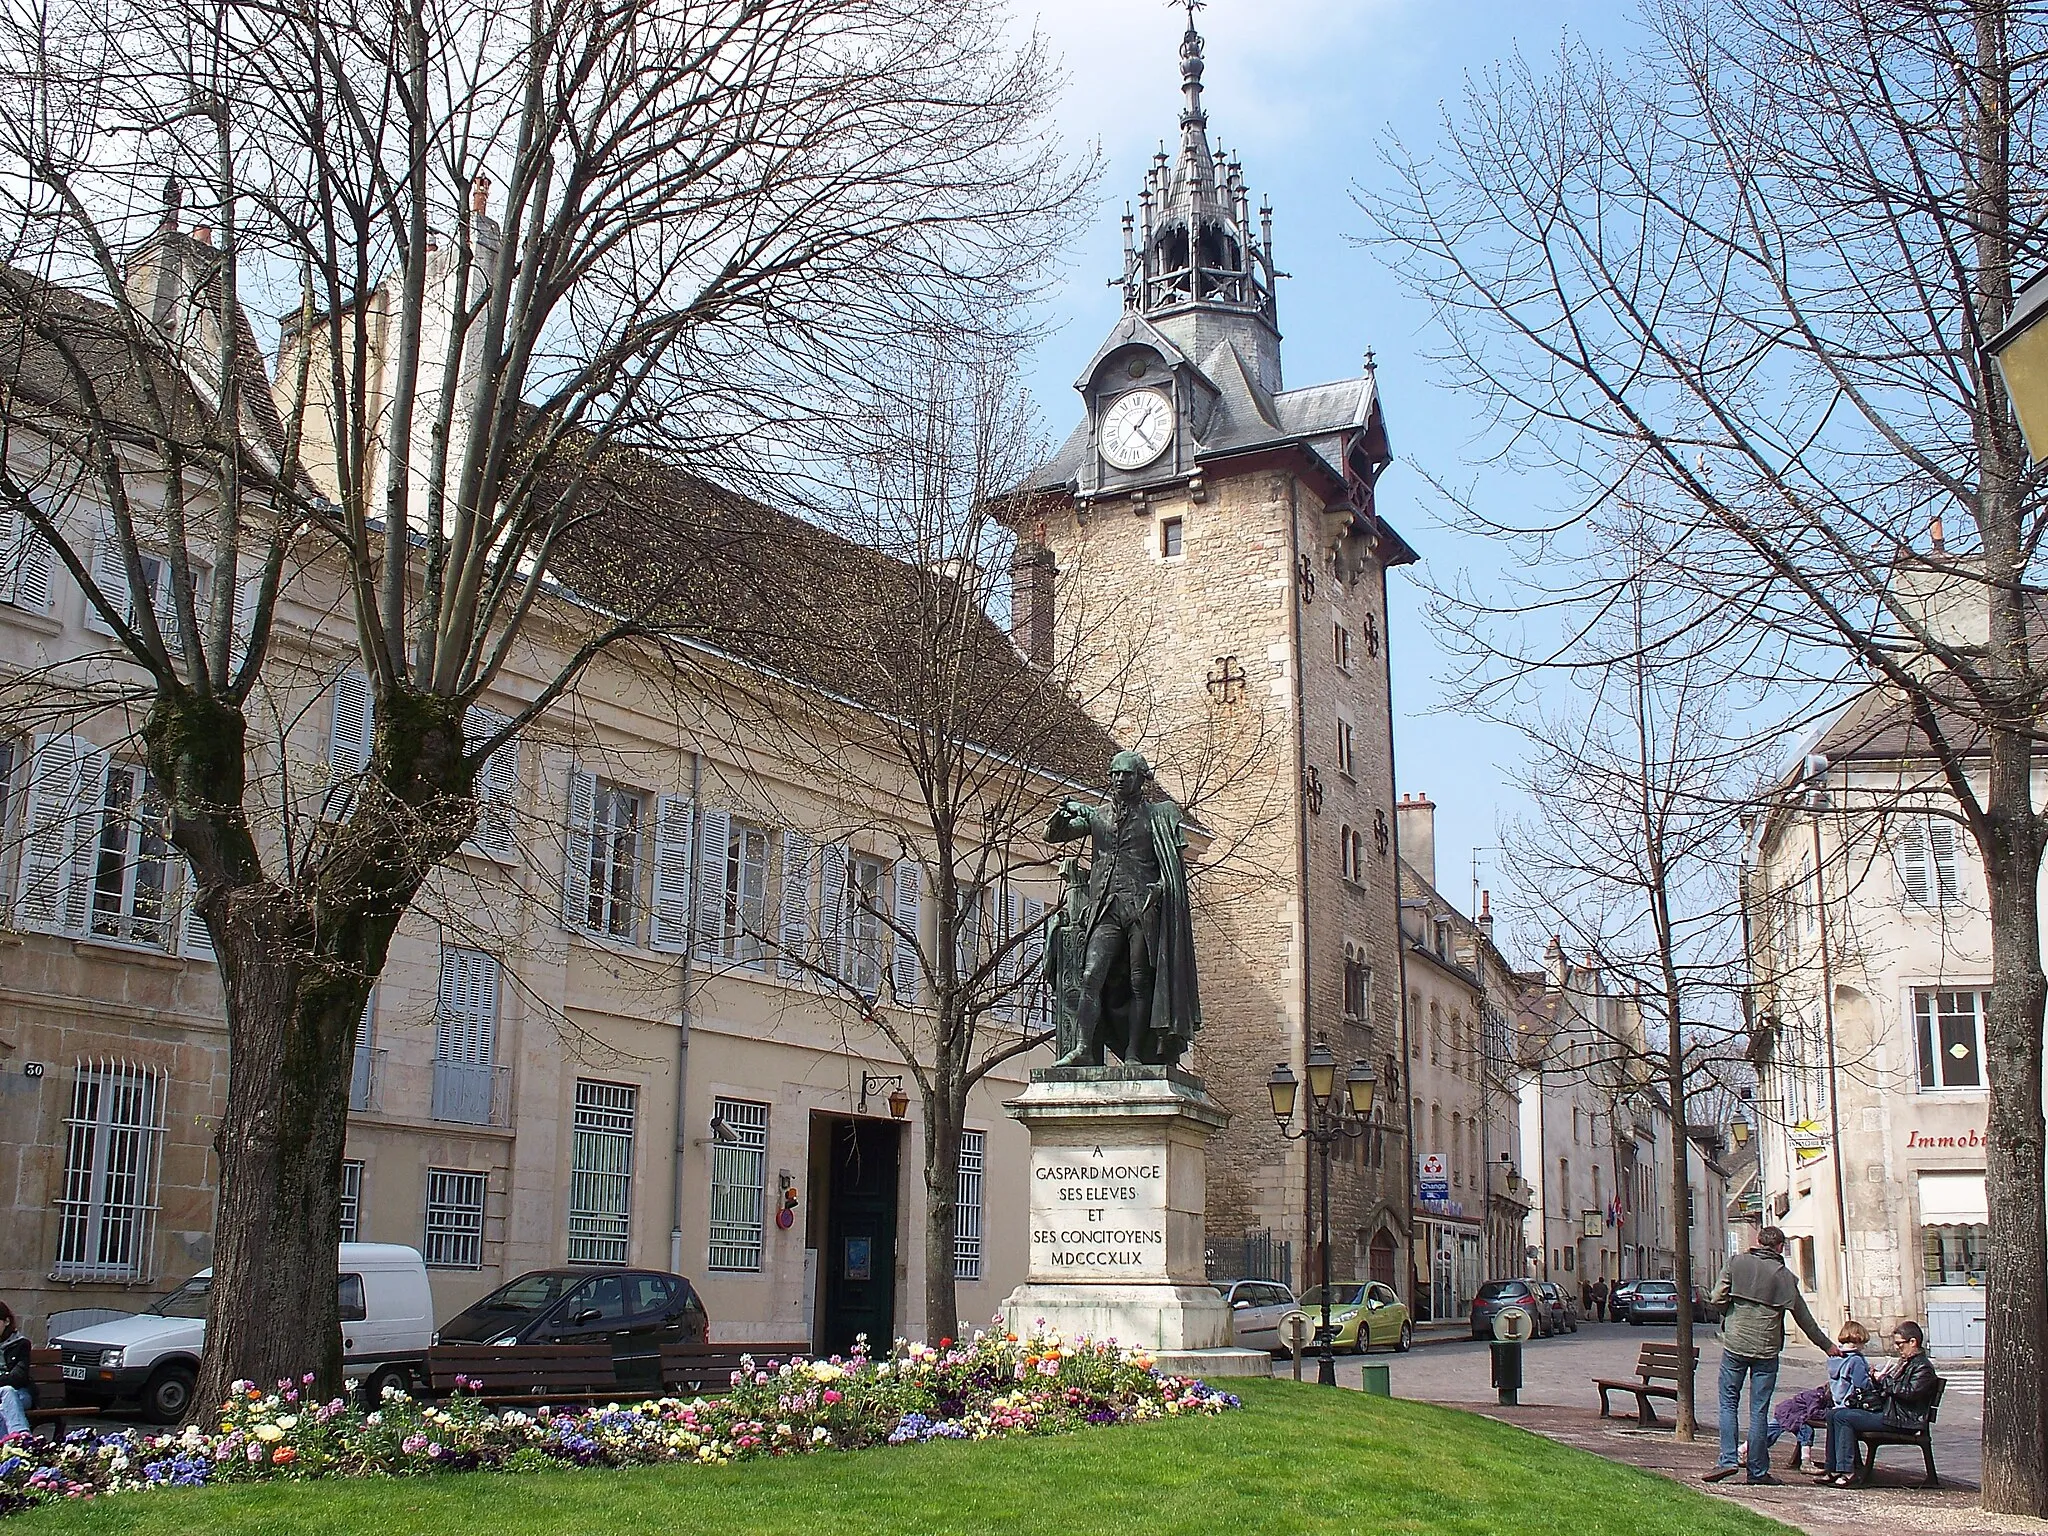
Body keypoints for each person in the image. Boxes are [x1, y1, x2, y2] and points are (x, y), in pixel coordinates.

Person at [1703, 1226, 1841, 1486]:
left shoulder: (1736, 1263)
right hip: (1766, 1349)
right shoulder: (1785, 1278)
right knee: (1759, 1410)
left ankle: (1728, 1460)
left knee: (1728, 1403)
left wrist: (1730, 1313)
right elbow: (1804, 1319)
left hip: (1735, 1343)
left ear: (1757, 1242)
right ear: (1779, 1247)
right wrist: (1828, 1346)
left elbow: (1717, 1297)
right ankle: (1756, 1470)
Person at [1823, 1319, 1941, 1486]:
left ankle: (1848, 1471)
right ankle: (1833, 1468)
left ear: (1913, 1342)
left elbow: (1909, 1393)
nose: (1897, 1348)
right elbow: (1893, 1388)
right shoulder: (1907, 1363)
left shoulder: (1922, 1367)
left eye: (1900, 1344)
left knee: (1844, 1417)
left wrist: (1883, 1379)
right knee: (1833, 1414)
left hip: (1901, 1418)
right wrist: (1876, 1378)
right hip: (1890, 1412)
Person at [1749, 1320, 1872, 1474]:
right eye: (1863, 1343)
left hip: (1836, 1403)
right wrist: (1874, 1376)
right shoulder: (1855, 1360)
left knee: (1786, 1420)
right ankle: (1846, 1467)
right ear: (1858, 1339)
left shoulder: (1834, 1358)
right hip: (1849, 1404)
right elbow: (1863, 1385)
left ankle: (1749, 1449)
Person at [0, 1301, 34, 1439]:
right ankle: (20, 1441)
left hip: (19, 1393)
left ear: (6, 1321)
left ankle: (18, 1438)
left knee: (8, 1391)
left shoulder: (21, 1344)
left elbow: (18, 1377)